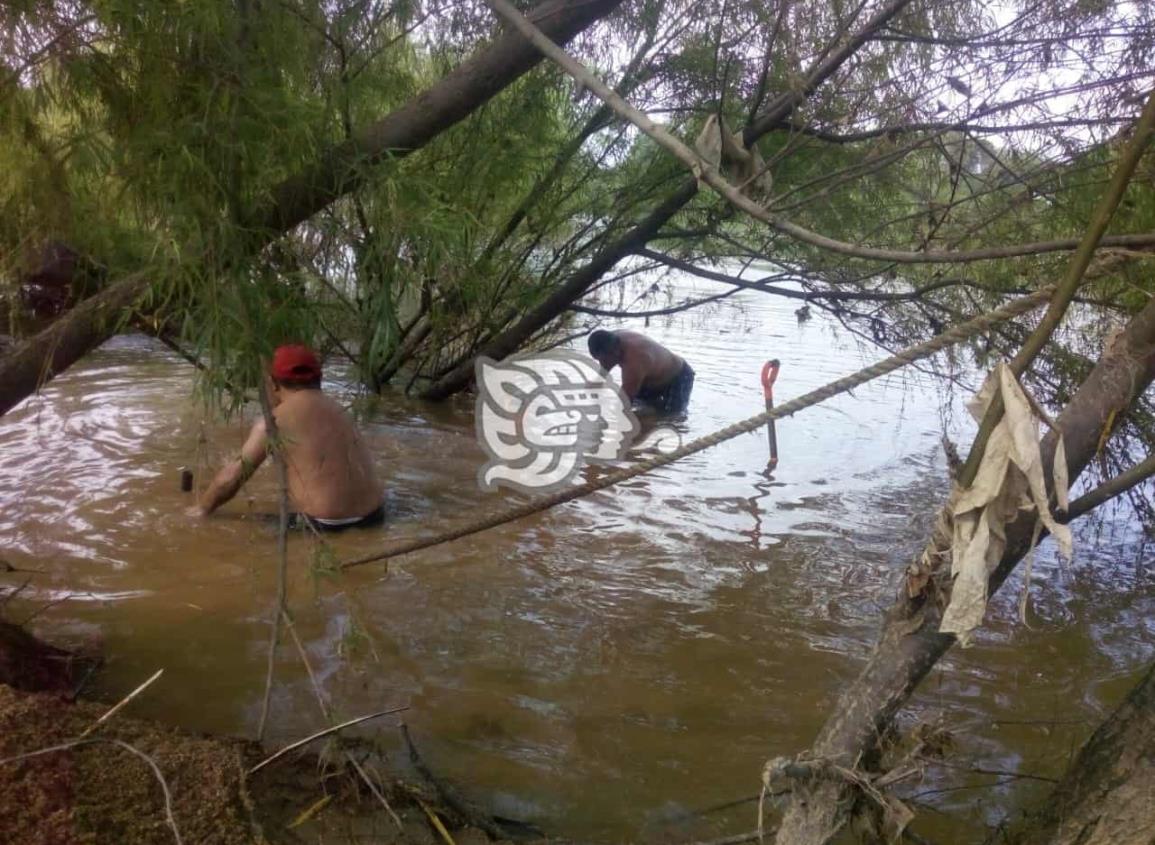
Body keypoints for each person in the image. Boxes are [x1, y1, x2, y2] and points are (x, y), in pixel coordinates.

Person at [194, 344, 385, 530]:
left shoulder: (274, 421)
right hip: (375, 518)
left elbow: (231, 478)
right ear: (319, 379)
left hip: (326, 524)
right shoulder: (341, 410)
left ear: (273, 384)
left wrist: (200, 509)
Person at [587, 329, 695, 415]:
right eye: (599, 360)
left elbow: (624, 402)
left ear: (615, 352)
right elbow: (607, 362)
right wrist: (598, 382)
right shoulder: (610, 339)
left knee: (671, 417)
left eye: (604, 360)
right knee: (641, 408)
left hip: (678, 376)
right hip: (650, 378)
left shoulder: (635, 360)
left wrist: (607, 420)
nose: (602, 363)